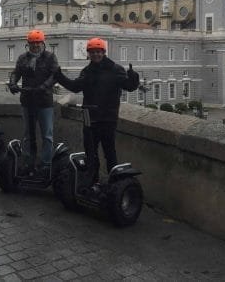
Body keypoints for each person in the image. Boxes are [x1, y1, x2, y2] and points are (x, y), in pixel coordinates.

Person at [55, 37, 139, 187]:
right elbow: (75, 87)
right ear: (88, 54)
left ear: (103, 52)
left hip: (108, 118)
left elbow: (129, 86)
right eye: (92, 52)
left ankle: (115, 185)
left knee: (110, 153)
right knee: (90, 153)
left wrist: (134, 78)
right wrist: (59, 76)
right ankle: (92, 181)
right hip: (90, 118)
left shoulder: (115, 69)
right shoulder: (87, 72)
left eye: (98, 52)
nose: (96, 55)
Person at [8, 29, 59, 177]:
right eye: (32, 43)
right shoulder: (23, 58)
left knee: (47, 135)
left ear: (42, 43)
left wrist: (44, 86)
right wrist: (12, 83)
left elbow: (55, 75)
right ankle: (28, 162)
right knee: (27, 135)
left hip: (44, 101)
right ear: (28, 44)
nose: (35, 45)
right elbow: (16, 72)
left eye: (38, 43)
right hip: (27, 100)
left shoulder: (50, 57)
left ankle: (45, 164)